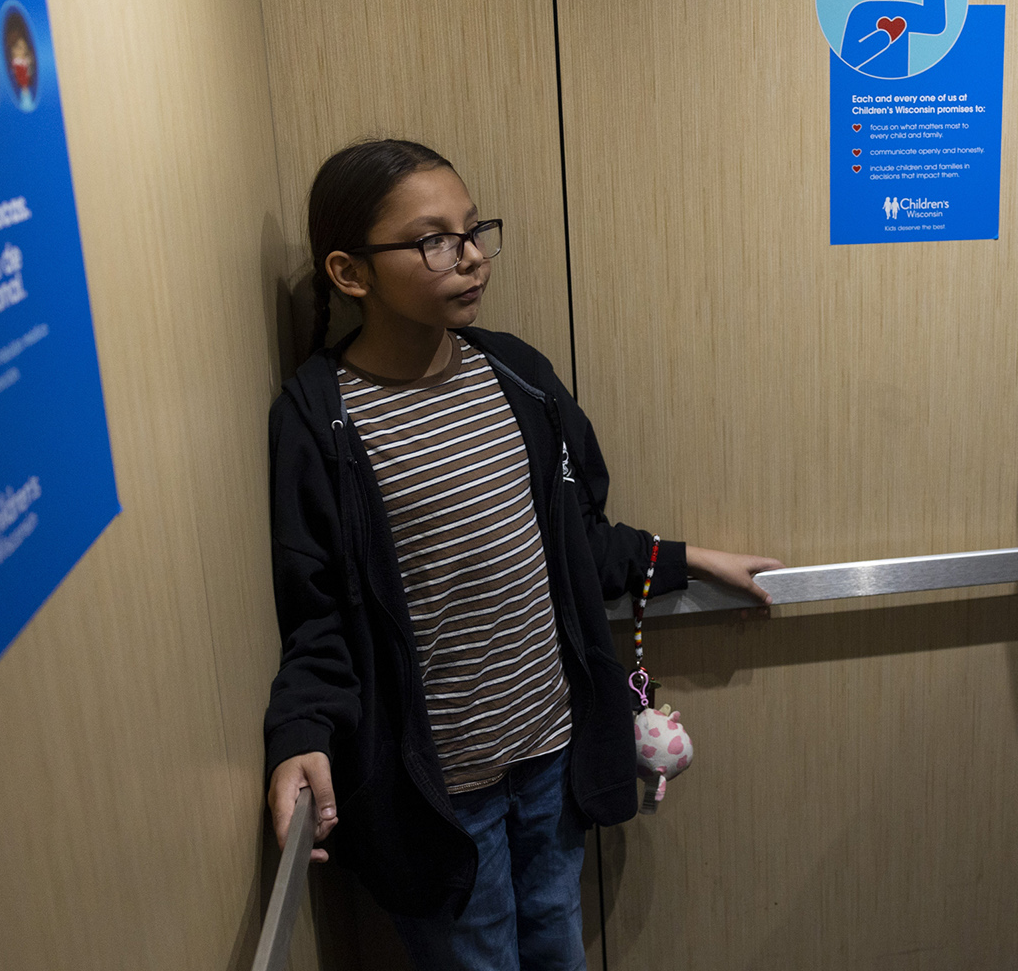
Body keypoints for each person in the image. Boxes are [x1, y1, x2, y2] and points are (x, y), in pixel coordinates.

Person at [263, 139, 782, 970]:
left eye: (475, 231)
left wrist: (689, 558)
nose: (471, 257)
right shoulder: (321, 422)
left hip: (551, 754)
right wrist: (300, 732)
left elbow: (575, 542)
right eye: (435, 241)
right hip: (437, 793)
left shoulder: (518, 376)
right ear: (350, 272)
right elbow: (318, 612)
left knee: (558, 948)